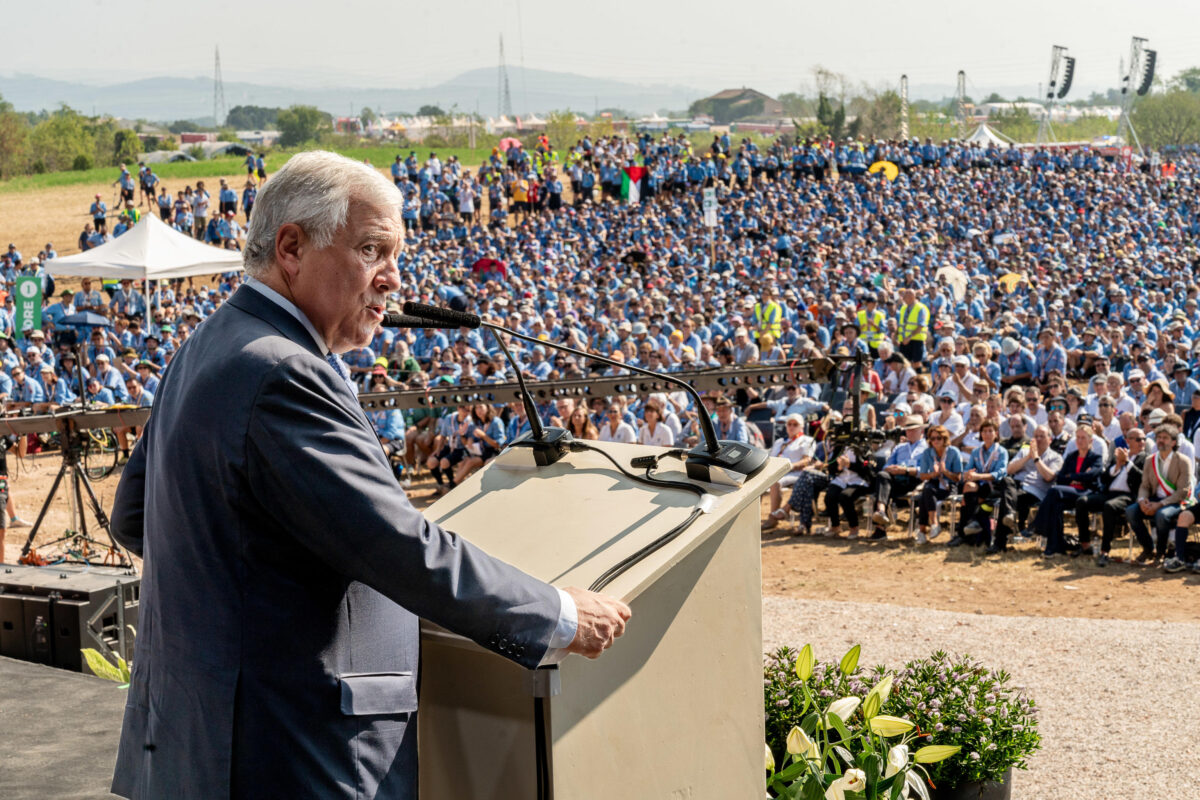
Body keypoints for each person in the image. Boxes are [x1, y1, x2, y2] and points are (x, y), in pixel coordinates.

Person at [108, 151, 630, 800]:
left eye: (397, 256)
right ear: (292, 248)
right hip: (290, 751)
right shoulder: (285, 371)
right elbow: (395, 547)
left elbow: (135, 516)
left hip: (199, 736)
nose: (392, 280)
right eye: (373, 250)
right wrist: (558, 613)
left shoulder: (212, 341)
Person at [1126, 423, 1194, 567]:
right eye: (1159, 437)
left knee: (1161, 515)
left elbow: (1182, 491)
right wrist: (1142, 500)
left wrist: (1160, 504)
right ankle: (1148, 548)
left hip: (1175, 502)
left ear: (1173, 442)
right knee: (1131, 511)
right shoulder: (1151, 460)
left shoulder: (1183, 461)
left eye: (1165, 438)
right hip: (1154, 499)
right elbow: (1144, 486)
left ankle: (1161, 552)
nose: (1161, 440)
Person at [1033, 426, 1103, 557]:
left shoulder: (1095, 458)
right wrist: (1077, 478)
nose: (1080, 441)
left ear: (1090, 440)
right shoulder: (1071, 457)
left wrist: (1071, 477)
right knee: (1055, 506)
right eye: (1078, 438)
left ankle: (1037, 526)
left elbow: (1091, 476)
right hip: (1070, 492)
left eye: (1083, 438)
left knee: (1053, 491)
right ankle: (1055, 547)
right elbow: (1060, 478)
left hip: (1087, 493)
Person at [868, 415, 928, 541]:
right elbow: (886, 465)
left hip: (916, 481)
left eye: (913, 429)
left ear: (921, 431)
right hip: (897, 479)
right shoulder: (899, 447)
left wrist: (906, 470)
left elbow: (926, 471)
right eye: (908, 430)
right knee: (882, 475)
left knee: (884, 482)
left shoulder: (927, 448)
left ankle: (881, 524)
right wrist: (891, 469)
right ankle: (881, 513)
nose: (910, 432)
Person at [915, 424, 963, 544]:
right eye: (932, 438)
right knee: (927, 490)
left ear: (944, 439)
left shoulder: (953, 452)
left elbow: (958, 478)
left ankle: (923, 531)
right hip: (933, 483)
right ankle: (934, 524)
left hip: (949, 485)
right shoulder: (927, 453)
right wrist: (933, 474)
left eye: (938, 438)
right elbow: (922, 475)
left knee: (924, 496)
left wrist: (945, 471)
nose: (935, 441)